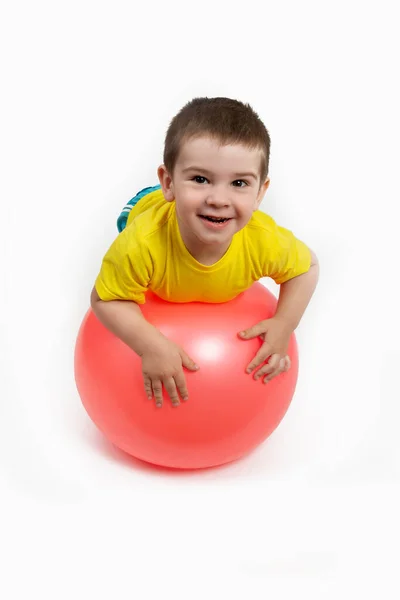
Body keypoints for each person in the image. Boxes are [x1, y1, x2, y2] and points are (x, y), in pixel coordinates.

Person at [91, 97, 319, 408]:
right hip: (148, 209)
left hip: (182, 210)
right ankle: (156, 196)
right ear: (169, 183)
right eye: (200, 179)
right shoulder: (142, 242)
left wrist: (284, 323)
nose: (218, 199)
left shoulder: (262, 240)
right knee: (130, 233)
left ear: (260, 194)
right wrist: (150, 345)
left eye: (239, 183)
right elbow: (105, 299)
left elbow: (306, 268)